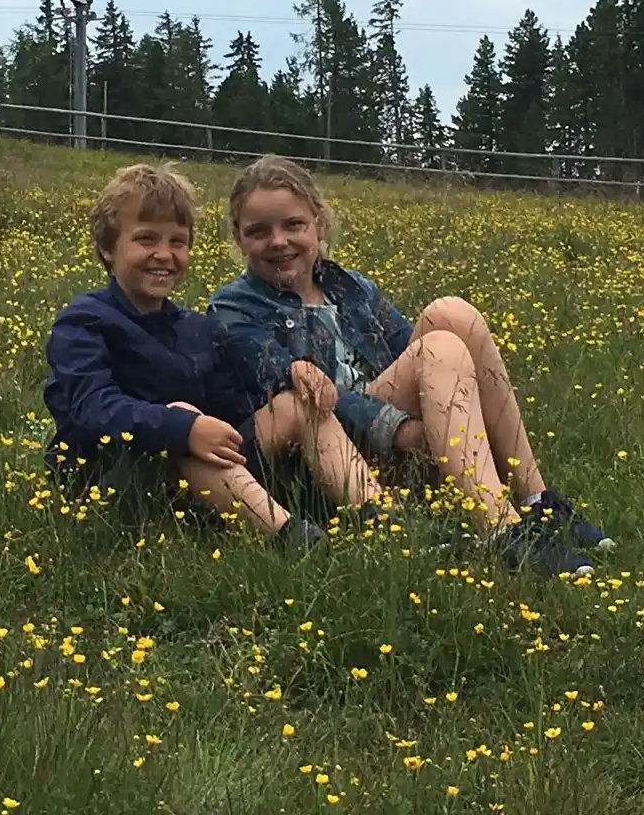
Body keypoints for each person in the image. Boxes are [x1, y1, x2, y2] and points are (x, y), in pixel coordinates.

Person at [207, 154, 615, 577]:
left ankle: (536, 501)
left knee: (452, 315)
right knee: (437, 345)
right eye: (259, 231)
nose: (278, 241)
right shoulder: (234, 308)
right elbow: (294, 390)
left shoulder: (352, 288)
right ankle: (499, 529)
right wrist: (396, 425)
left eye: (293, 225)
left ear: (319, 225)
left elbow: (412, 355)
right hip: (330, 456)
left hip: (390, 439)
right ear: (238, 239)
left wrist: (425, 409)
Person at [44, 162, 385, 548]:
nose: (163, 254)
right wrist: (183, 428)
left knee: (294, 403)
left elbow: (230, 402)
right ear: (107, 249)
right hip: (113, 478)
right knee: (183, 417)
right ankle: (293, 538)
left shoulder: (193, 327)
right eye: (146, 239)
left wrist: (287, 385)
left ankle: (382, 516)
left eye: (177, 241)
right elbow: (92, 408)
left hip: (202, 474)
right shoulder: (84, 321)